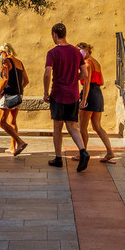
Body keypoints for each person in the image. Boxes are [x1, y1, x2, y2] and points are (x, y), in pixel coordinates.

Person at [43, 22, 90, 171]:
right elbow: (85, 75)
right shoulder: (76, 52)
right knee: (72, 126)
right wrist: (71, 78)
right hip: (73, 94)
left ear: (55, 35)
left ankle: (58, 158)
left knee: (58, 126)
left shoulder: (52, 52)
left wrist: (46, 92)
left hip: (58, 94)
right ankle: (83, 151)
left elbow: (47, 73)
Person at [75, 42, 118, 164]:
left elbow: (87, 82)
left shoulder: (87, 63)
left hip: (89, 94)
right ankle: (110, 151)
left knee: (83, 127)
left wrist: (84, 100)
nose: (79, 53)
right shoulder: (96, 62)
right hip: (98, 94)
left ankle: (82, 153)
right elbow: (102, 81)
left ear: (87, 50)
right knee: (97, 126)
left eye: (80, 51)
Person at [0, 43, 28, 156]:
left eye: (0, 53)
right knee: (12, 121)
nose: (0, 56)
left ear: (5, 52)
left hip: (8, 95)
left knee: (1, 122)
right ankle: (12, 147)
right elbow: (26, 80)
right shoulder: (19, 62)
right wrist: (18, 90)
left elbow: (5, 79)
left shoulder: (6, 61)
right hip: (18, 96)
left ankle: (20, 142)